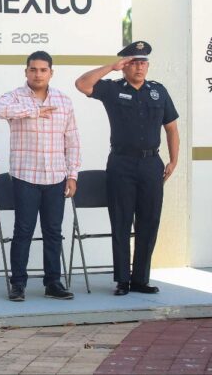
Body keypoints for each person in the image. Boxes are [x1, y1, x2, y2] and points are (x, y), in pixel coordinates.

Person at [75, 40, 179, 296]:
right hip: (122, 163)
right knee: (121, 221)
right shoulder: (112, 89)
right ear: (124, 66)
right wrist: (110, 67)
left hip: (151, 164)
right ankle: (122, 279)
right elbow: (82, 84)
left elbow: (172, 129)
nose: (139, 68)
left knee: (149, 221)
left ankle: (140, 279)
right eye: (133, 63)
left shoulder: (158, 91)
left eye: (143, 62)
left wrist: (173, 160)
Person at [0, 51, 80, 302]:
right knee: (23, 231)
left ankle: (53, 282)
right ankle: (18, 284)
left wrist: (72, 175)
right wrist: (34, 110)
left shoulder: (64, 101)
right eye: (33, 69)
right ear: (26, 72)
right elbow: (0, 110)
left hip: (56, 176)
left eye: (43, 70)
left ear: (51, 72)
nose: (38, 74)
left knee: (53, 231)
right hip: (25, 176)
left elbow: (73, 141)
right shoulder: (14, 97)